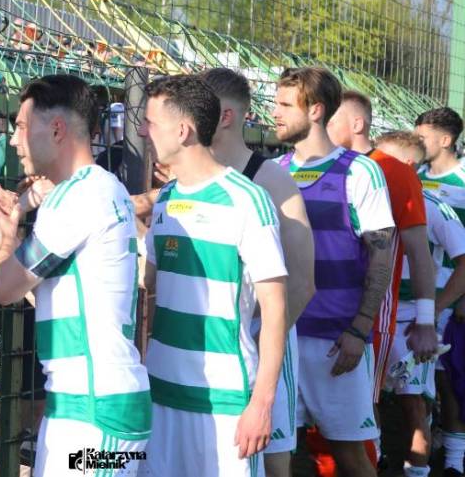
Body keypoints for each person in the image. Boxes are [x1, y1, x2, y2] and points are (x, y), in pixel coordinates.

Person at [0, 74, 151, 476]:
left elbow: (4, 288)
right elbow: (56, 291)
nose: (14, 140)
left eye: (20, 127)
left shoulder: (77, 196)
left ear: (56, 130)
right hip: (88, 405)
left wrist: (2, 236)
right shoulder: (103, 186)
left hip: (94, 412)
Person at [134, 75, 287, 475]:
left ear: (182, 130)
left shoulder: (247, 199)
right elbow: (150, 280)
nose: (143, 131)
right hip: (162, 390)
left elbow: (275, 308)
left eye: (150, 122)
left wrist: (262, 404)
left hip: (224, 400)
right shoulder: (166, 198)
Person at [272, 67, 395, 477]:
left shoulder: (360, 171)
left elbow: (381, 256)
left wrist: (360, 328)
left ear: (316, 110)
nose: (274, 113)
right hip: (281, 338)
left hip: (335, 343)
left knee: (350, 456)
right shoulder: (274, 171)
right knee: (278, 456)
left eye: (284, 104)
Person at [198, 67, 315, 477]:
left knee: (271, 458)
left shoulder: (271, 180)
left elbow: (303, 282)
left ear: (224, 117)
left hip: (259, 347)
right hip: (204, 352)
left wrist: (262, 344)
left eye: (196, 108)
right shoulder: (190, 178)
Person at [324, 89, 437, 472]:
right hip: (320, 312)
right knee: (325, 423)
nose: (323, 124)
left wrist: (426, 321)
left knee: (358, 415)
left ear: (357, 123)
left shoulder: (394, 171)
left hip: (371, 316)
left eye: (333, 118)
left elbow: (419, 252)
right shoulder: (319, 166)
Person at [376, 130, 465, 477]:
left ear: (408, 165)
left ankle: (424, 469)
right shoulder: (365, 198)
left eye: (385, 161)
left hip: (411, 322)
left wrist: (435, 311)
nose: (374, 166)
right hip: (371, 319)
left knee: (415, 404)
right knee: (366, 398)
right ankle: (376, 461)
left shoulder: (435, 208)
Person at [415, 107, 465, 477]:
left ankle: (454, 461)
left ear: (445, 140)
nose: (416, 142)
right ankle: (427, 446)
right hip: (419, 296)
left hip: (451, 296)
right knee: (419, 380)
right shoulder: (414, 176)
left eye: (423, 137)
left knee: (449, 379)